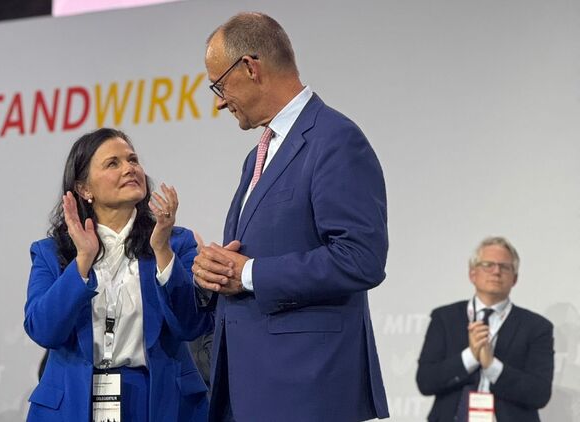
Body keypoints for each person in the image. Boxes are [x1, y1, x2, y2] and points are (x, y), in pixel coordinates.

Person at [193, 12, 390, 422]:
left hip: (306, 388)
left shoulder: (335, 139)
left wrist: (249, 274)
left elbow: (361, 258)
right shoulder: (258, 155)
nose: (220, 101)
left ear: (250, 67)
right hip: (252, 388)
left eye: (219, 85)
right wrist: (216, 271)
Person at [23, 128, 212, 421]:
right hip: (74, 403)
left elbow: (191, 325)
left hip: (157, 400)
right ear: (84, 189)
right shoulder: (51, 251)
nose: (129, 168)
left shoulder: (176, 242)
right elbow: (44, 330)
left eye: (132, 160)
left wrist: (162, 251)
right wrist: (82, 261)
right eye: (113, 163)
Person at [416, 236, 554, 421]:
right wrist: (471, 357)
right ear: (472, 274)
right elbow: (425, 381)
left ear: (515, 278)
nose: (496, 271)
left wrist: (491, 366)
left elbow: (540, 393)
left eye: (504, 267)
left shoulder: (537, 327)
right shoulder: (444, 318)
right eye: (488, 265)